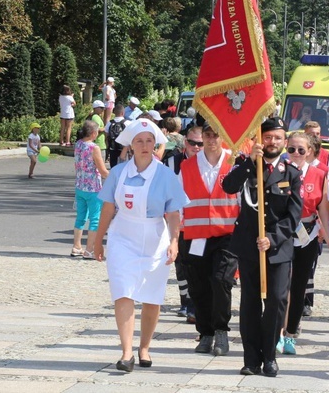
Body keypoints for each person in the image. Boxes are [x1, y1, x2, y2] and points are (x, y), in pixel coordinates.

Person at [92, 118, 189, 372]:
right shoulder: (117, 173)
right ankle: (126, 351)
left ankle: (144, 346)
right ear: (131, 145)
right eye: (139, 141)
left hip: (155, 237)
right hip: (123, 235)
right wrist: (98, 239)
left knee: (151, 296)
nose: (145, 146)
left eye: (149, 141)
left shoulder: (165, 175)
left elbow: (174, 212)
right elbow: (108, 207)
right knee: (123, 291)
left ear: (155, 145)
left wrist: (175, 241)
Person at [221, 117, 302, 377]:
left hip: (277, 248)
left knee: (277, 301)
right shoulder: (246, 166)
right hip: (249, 246)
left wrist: (273, 238)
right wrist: (248, 162)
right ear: (259, 139)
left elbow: (294, 215)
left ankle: (269, 356)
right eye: (267, 137)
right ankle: (251, 360)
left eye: (277, 138)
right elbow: (228, 186)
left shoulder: (291, 173)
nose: (272, 142)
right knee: (250, 303)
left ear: (284, 141)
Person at [178, 123, 239, 357]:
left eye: (216, 135)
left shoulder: (235, 162)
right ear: (202, 137)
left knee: (221, 280)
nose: (212, 140)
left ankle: (221, 330)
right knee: (199, 286)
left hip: (227, 235)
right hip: (195, 236)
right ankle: (206, 333)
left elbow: (244, 199)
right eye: (207, 136)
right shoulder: (187, 165)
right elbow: (178, 201)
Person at [281, 132, 329, 356]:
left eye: (301, 150)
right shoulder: (276, 172)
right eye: (291, 149)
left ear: (310, 151)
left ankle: (291, 332)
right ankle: (276, 331)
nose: (296, 154)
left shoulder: (320, 174)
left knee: (299, 285)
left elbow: (324, 210)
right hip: (281, 234)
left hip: (307, 234)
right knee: (278, 286)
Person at [163, 126, 203, 323]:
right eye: (192, 142)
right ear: (185, 142)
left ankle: (195, 304)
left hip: (200, 223)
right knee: (180, 264)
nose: (196, 147)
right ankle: (185, 301)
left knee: (195, 265)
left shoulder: (208, 164)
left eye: (200, 143)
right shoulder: (171, 163)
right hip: (177, 222)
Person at [72, 120, 109, 259]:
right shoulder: (94, 148)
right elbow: (102, 170)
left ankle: (76, 246)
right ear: (94, 133)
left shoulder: (78, 144)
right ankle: (89, 249)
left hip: (80, 185)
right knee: (95, 219)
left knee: (81, 217)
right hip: (93, 187)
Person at [105, 104, 126, 169]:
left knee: (113, 166)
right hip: (123, 149)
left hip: (112, 148)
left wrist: (108, 147)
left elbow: (106, 135)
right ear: (123, 113)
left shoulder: (109, 123)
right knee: (123, 167)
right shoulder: (127, 123)